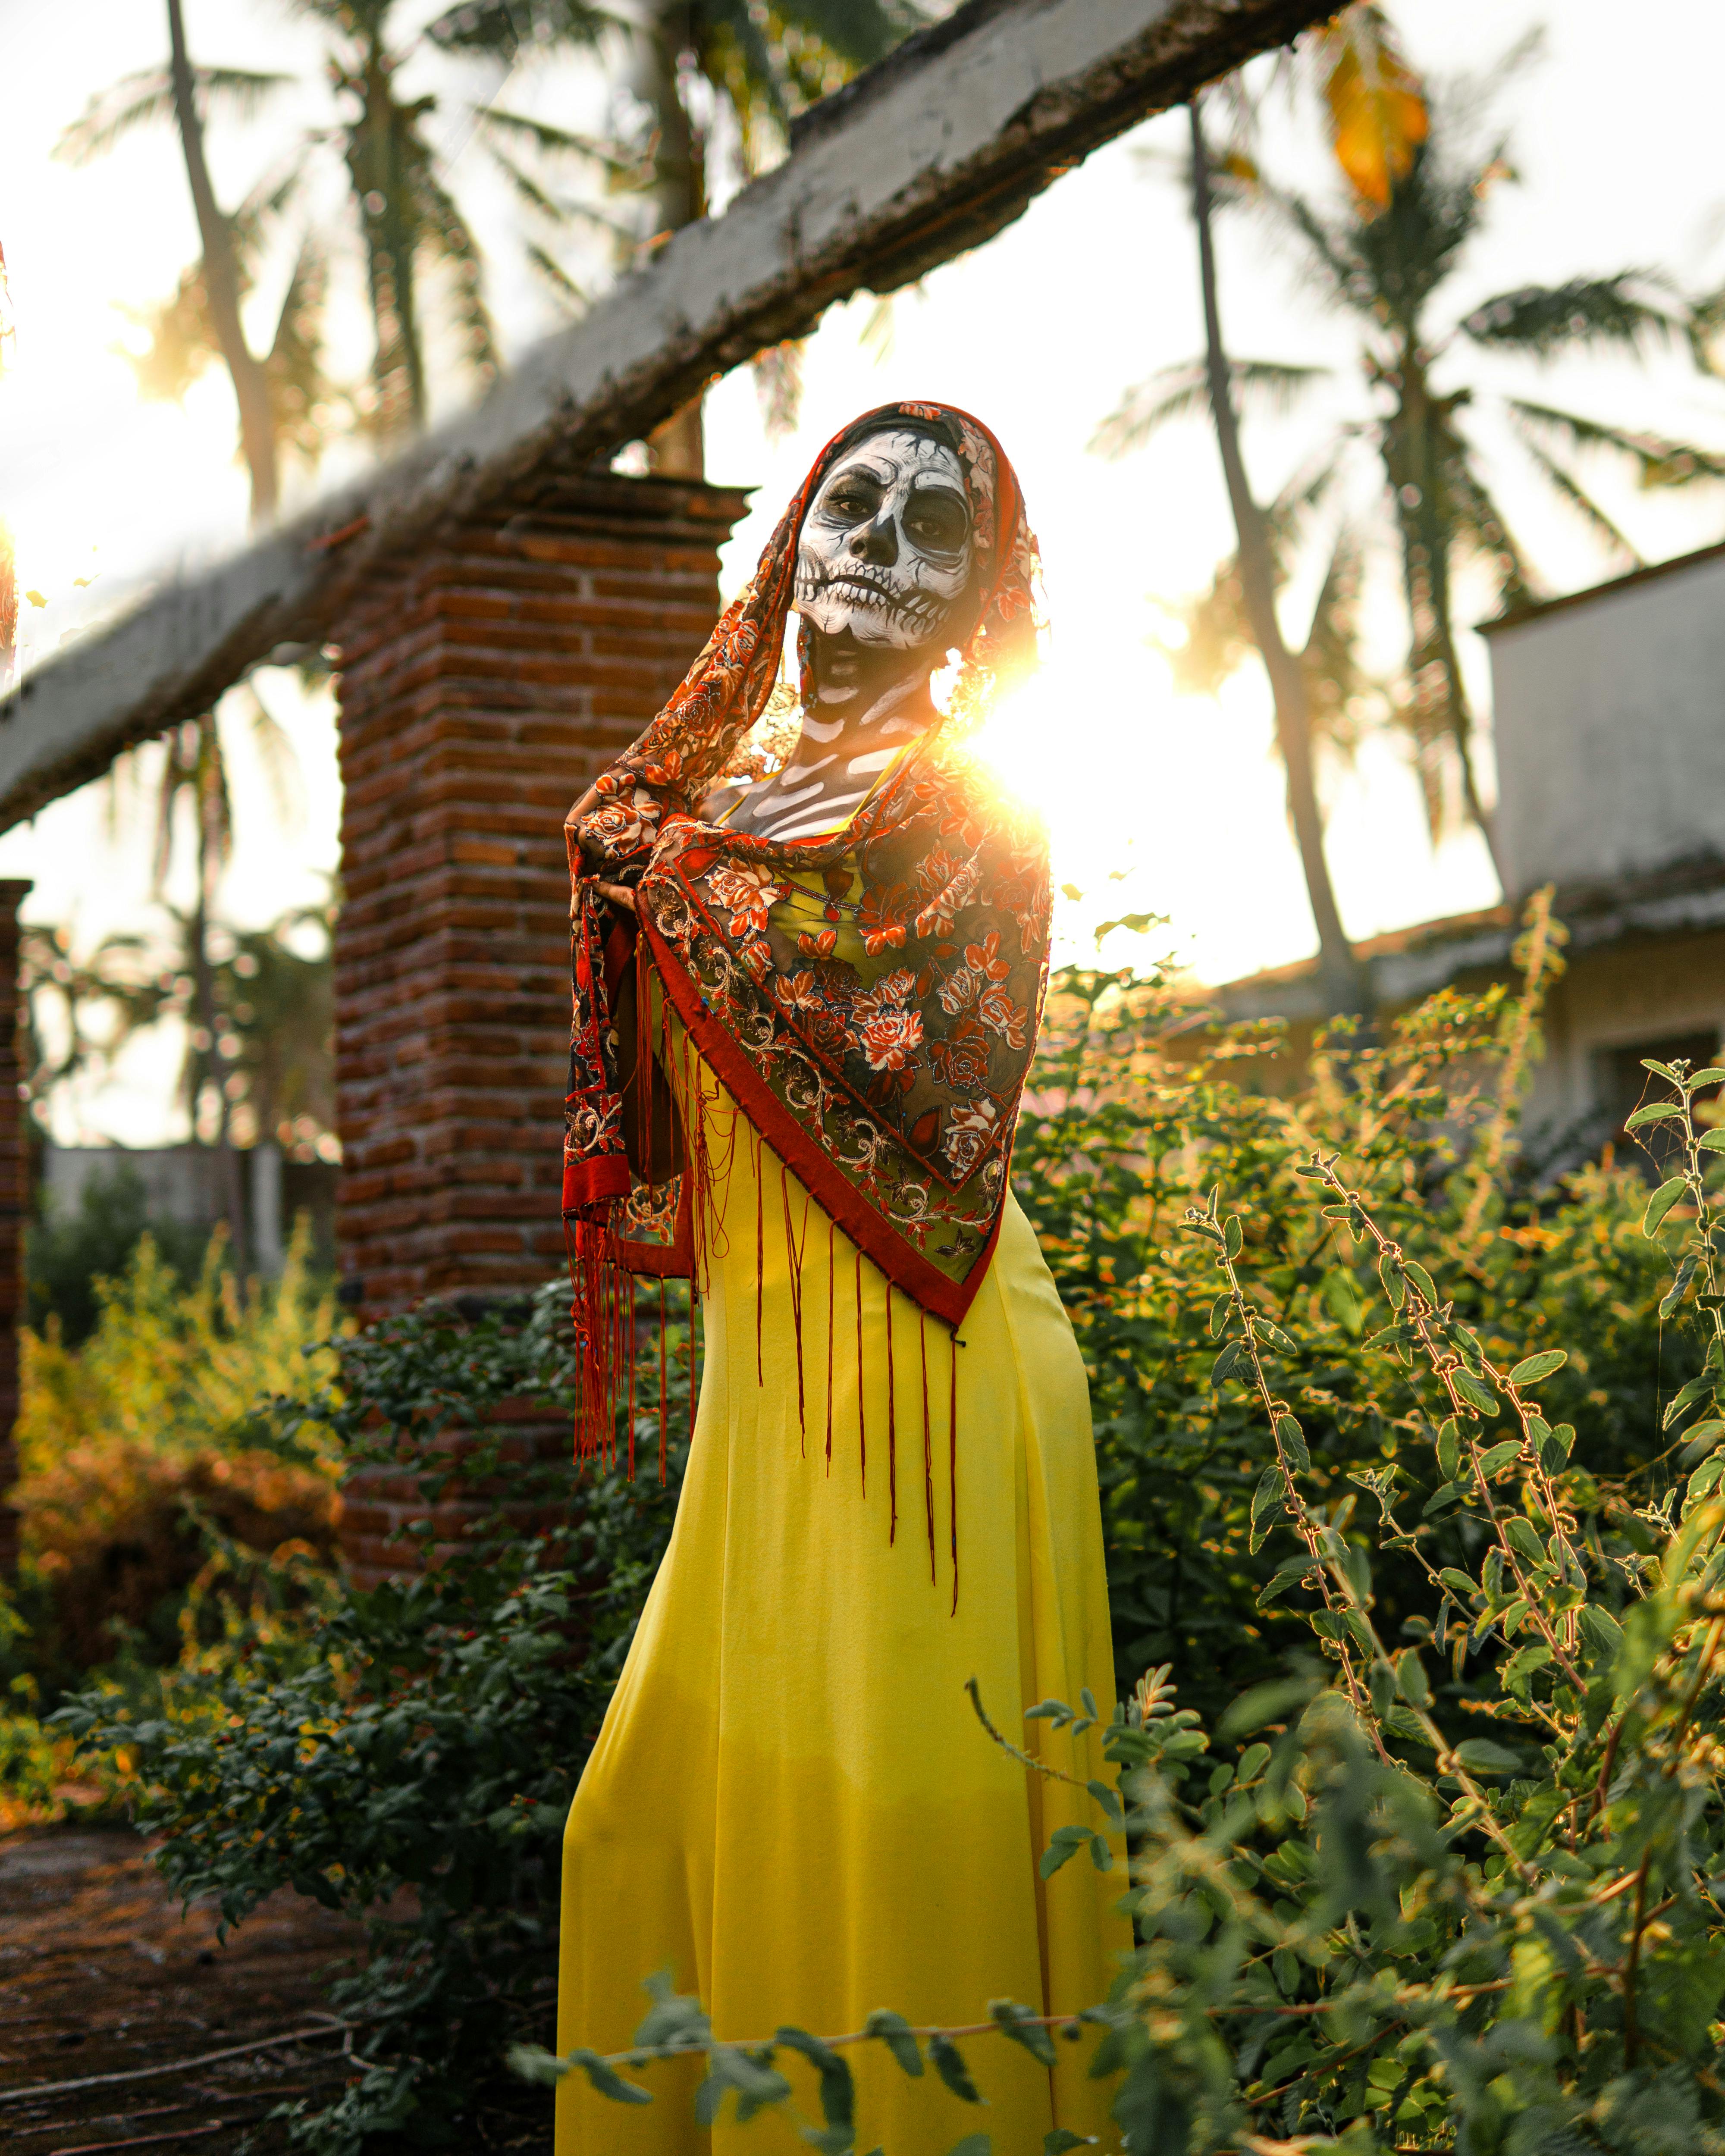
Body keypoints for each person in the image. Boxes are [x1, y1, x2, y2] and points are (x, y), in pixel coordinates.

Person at [555, 402, 1127, 2154]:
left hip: (928, 1352)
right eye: (850, 504)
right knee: (642, 1809)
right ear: (788, 544)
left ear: (976, 601)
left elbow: (893, 1036)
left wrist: (669, 874)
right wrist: (634, 866)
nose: (877, 544)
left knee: (905, 1820)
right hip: (769, 1372)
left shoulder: (959, 807)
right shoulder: (699, 804)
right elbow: (667, 1048)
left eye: (929, 526)